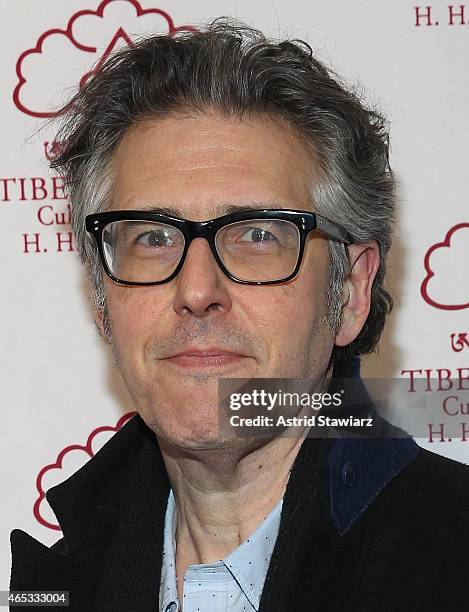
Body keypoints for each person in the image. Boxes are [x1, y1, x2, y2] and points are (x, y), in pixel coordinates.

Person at [10, 20, 469, 612]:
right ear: (104, 301)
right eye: (153, 237)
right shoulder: (53, 588)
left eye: (257, 234)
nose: (197, 289)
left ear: (350, 292)